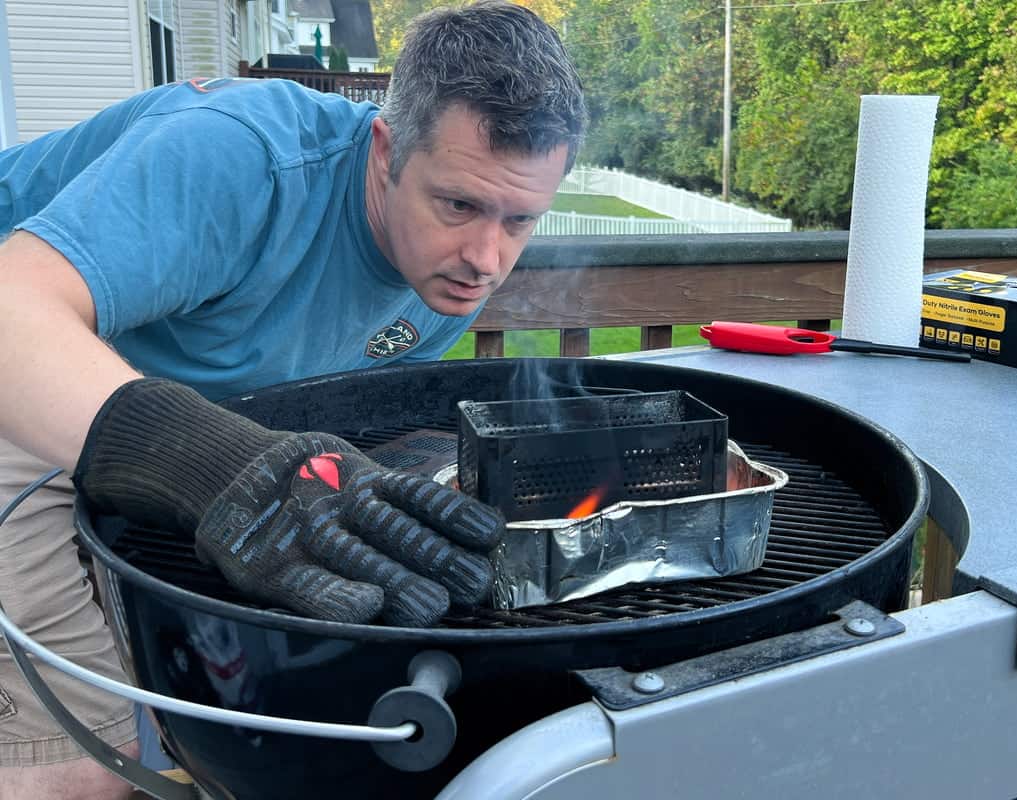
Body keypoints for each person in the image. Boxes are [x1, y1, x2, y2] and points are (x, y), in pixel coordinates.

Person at [0, 1, 587, 796]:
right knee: (82, 754)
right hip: (20, 386)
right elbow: (13, 318)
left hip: (142, 416)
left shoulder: (451, 265)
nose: (487, 257)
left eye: (520, 220)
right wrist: (215, 470)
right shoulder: (237, 162)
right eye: (458, 205)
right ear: (385, 151)